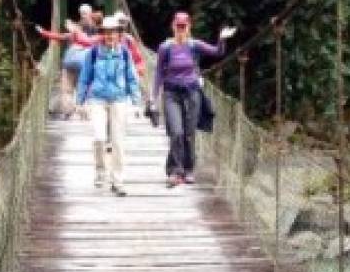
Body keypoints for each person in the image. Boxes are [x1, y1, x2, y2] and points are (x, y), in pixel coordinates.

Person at [153, 11, 236, 186]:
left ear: (189, 27)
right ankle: (175, 171)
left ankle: (189, 169)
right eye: (178, 26)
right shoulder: (165, 47)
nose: (181, 29)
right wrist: (153, 98)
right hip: (171, 93)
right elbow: (159, 72)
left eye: (184, 26)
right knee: (176, 132)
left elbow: (217, 52)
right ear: (173, 26)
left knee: (189, 133)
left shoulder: (194, 45)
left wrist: (222, 39)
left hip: (192, 92)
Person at [76, 15, 142, 195]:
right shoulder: (94, 53)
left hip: (119, 99)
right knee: (99, 137)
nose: (110, 35)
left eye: (113, 32)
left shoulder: (125, 53)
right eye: (106, 32)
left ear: (119, 34)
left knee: (118, 142)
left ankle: (118, 181)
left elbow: (132, 78)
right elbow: (84, 77)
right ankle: (100, 171)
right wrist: (79, 102)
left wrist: (136, 103)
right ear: (102, 34)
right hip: (97, 99)